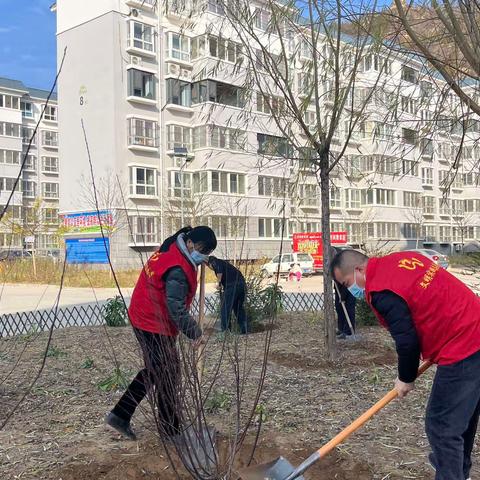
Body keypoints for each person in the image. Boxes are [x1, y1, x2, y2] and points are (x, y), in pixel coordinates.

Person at [331, 249, 480, 480]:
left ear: (359, 270)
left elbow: (407, 341)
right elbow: (429, 297)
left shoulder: (381, 289)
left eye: (346, 282)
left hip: (464, 342)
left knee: (441, 425)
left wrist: (405, 378)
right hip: (472, 326)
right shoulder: (402, 259)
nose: (349, 289)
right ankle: (459, 473)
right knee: (461, 420)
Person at [105, 226, 217, 441]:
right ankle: (170, 431)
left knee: (159, 369)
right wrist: (195, 332)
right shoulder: (178, 267)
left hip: (145, 315)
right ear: (192, 244)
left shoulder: (174, 245)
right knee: (167, 373)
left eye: (207, 254)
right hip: (151, 322)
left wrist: (208, 261)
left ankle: (120, 416)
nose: (203, 257)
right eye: (203, 251)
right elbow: (175, 307)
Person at [207, 256, 248, 334]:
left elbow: (218, 269)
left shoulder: (216, 262)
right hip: (241, 284)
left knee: (225, 309)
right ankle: (244, 330)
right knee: (238, 308)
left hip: (232, 286)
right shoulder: (225, 264)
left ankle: (226, 332)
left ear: (210, 264)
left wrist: (218, 283)